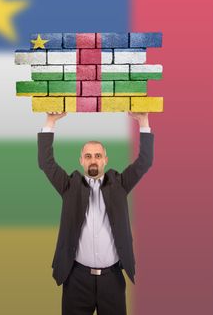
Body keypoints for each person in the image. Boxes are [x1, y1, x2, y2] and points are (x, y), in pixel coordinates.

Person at [38, 112, 154, 315]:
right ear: (81, 160)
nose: (93, 160)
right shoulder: (69, 186)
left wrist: (143, 121)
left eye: (98, 156)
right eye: (89, 156)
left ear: (105, 160)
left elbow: (144, 162)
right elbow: (46, 163)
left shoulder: (119, 184)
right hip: (76, 279)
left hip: (113, 280)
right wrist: (51, 121)